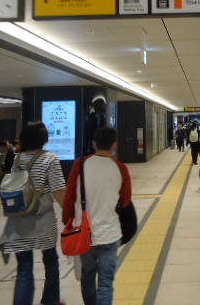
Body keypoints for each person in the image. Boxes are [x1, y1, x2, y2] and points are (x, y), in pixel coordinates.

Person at [0, 122, 67, 305]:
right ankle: (51, 300)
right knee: (51, 261)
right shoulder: (50, 159)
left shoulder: (17, 160)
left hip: (19, 221)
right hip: (42, 221)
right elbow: (59, 191)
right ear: (44, 138)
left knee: (24, 267)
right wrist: (70, 214)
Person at [63, 127, 132, 305]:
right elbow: (125, 202)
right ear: (115, 145)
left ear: (94, 144)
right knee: (106, 283)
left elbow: (69, 198)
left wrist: (68, 222)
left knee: (87, 275)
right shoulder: (121, 168)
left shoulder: (80, 164)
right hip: (110, 234)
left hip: (84, 234)